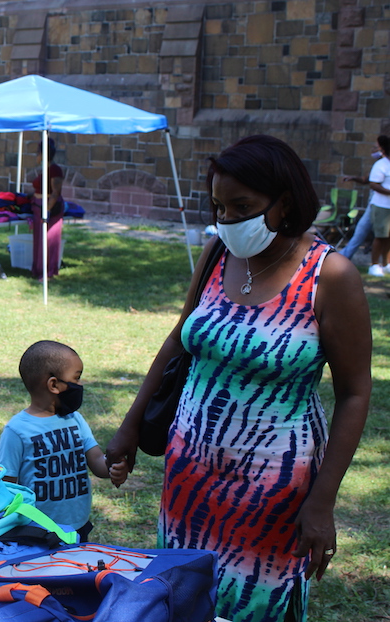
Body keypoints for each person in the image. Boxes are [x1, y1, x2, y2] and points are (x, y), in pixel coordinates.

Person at [106, 135, 372, 622]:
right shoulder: (216, 254)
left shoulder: (330, 276)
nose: (227, 220)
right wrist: (130, 424)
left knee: (256, 605)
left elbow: (355, 393)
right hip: (189, 473)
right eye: (218, 207)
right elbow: (177, 341)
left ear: (284, 201)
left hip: (274, 488)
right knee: (184, 594)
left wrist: (322, 501)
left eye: (241, 207)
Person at [0, 340, 128, 538]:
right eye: (76, 379)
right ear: (54, 385)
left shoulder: (75, 419)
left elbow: (96, 461)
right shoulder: (16, 431)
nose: (80, 386)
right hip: (35, 531)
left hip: (77, 526)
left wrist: (113, 467)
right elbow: (8, 488)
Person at [30, 137, 64, 280]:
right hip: (38, 207)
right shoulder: (45, 169)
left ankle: (49, 272)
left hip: (49, 209)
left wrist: (48, 210)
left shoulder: (55, 170)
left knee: (49, 240)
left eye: (38, 152)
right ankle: (38, 269)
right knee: (39, 240)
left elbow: (55, 193)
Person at [364, 136, 390, 276]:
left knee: (389, 236)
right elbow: (373, 184)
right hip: (382, 206)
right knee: (380, 236)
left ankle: (386, 264)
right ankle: (374, 265)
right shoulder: (381, 165)